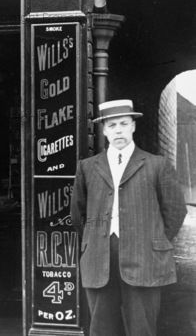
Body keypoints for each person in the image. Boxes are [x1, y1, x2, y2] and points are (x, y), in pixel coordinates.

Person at [70, 99, 187, 336]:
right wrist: (94, 241)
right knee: (102, 328)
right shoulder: (88, 167)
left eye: (124, 123)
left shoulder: (157, 165)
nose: (118, 130)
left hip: (145, 257)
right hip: (99, 258)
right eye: (112, 125)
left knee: (141, 327)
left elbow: (175, 210)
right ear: (103, 130)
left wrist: (155, 241)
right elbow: (77, 213)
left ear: (133, 126)